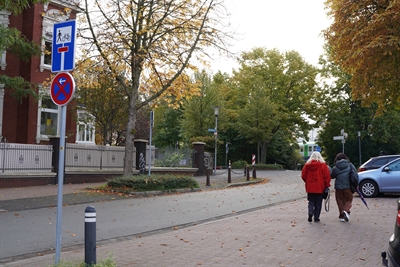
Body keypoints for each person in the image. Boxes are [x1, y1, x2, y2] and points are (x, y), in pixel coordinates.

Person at [301, 152, 331, 223]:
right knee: (318, 203)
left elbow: (303, 175)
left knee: (311, 201)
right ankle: (316, 217)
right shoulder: (323, 165)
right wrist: (327, 185)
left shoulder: (307, 165)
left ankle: (310, 212)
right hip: (320, 187)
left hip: (310, 187)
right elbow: (327, 177)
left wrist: (307, 181)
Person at [330, 153, 357, 222]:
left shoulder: (336, 167)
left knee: (340, 201)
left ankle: (342, 217)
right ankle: (345, 210)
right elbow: (355, 175)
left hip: (338, 187)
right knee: (349, 200)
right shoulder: (350, 165)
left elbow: (332, 176)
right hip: (347, 186)